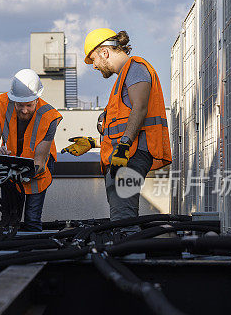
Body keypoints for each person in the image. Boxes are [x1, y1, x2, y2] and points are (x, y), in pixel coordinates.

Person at [65, 29, 171, 220]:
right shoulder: (126, 75)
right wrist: (93, 143)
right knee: (121, 215)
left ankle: (128, 248)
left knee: (123, 218)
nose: (95, 66)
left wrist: (124, 146)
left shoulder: (135, 68)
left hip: (130, 155)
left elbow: (140, 108)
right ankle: (127, 245)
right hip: (127, 153)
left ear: (105, 52)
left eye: (94, 59)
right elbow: (125, 123)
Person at [0, 69, 62, 231]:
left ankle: (33, 250)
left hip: (37, 169)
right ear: (13, 99)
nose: (24, 110)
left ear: (37, 99)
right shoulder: (1, 104)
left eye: (29, 105)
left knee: (32, 220)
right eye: (20, 105)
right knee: (9, 219)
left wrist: (24, 174)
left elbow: (40, 162)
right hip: (11, 165)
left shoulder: (50, 117)